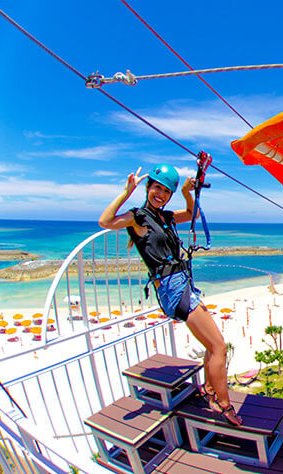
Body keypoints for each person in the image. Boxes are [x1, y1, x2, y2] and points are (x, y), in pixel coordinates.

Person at [99, 164, 241, 426]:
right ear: (148, 187)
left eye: (166, 191)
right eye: (157, 188)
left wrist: (187, 193)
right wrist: (126, 192)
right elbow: (105, 221)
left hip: (182, 284)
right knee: (219, 346)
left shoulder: (165, 217)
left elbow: (192, 214)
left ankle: (210, 392)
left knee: (213, 345)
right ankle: (224, 406)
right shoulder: (138, 217)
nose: (160, 195)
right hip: (172, 288)